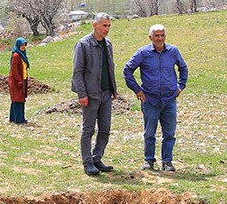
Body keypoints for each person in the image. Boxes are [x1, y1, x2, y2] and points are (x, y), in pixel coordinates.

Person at [124, 24, 189, 172]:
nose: (160, 39)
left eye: (162, 35)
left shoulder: (173, 51)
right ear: (150, 37)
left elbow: (183, 68)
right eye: (156, 36)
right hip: (150, 100)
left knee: (169, 133)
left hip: (169, 99)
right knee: (149, 132)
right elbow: (127, 70)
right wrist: (137, 90)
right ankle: (149, 160)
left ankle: (167, 161)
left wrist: (180, 86)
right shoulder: (143, 53)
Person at [71, 13, 117, 176]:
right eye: (104, 25)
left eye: (109, 26)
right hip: (90, 95)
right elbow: (78, 71)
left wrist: (113, 90)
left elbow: (110, 67)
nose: (107, 29)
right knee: (88, 130)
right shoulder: (83, 44)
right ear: (95, 25)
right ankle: (87, 162)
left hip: (105, 94)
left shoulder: (108, 45)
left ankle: (97, 158)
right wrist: (82, 94)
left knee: (105, 129)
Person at [8, 37, 29, 124]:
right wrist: (19, 80)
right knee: (17, 100)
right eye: (21, 45)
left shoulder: (22, 55)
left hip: (22, 80)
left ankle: (16, 118)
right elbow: (14, 69)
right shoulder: (16, 55)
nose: (23, 47)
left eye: (24, 45)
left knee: (20, 99)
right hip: (16, 81)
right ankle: (18, 119)